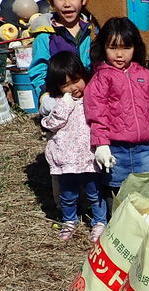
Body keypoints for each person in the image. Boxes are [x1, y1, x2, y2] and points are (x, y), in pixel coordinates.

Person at [83, 17, 149, 195]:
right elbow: (96, 114)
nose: (119, 54)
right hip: (116, 149)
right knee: (117, 191)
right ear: (103, 48)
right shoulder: (101, 78)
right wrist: (101, 144)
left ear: (135, 47)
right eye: (112, 48)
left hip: (145, 149)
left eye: (126, 47)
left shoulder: (145, 75)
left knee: (147, 190)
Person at [40, 52, 105, 242]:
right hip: (66, 158)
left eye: (76, 81)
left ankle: (100, 221)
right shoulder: (57, 103)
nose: (72, 88)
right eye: (65, 85)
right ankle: (69, 220)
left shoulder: (91, 98)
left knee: (94, 193)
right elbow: (50, 124)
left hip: (88, 157)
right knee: (67, 194)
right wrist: (64, 105)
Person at [28, 0, 94, 95]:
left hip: (92, 96)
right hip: (60, 98)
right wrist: (44, 95)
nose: (67, 4)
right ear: (51, 2)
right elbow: (39, 71)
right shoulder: (45, 35)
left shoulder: (92, 31)